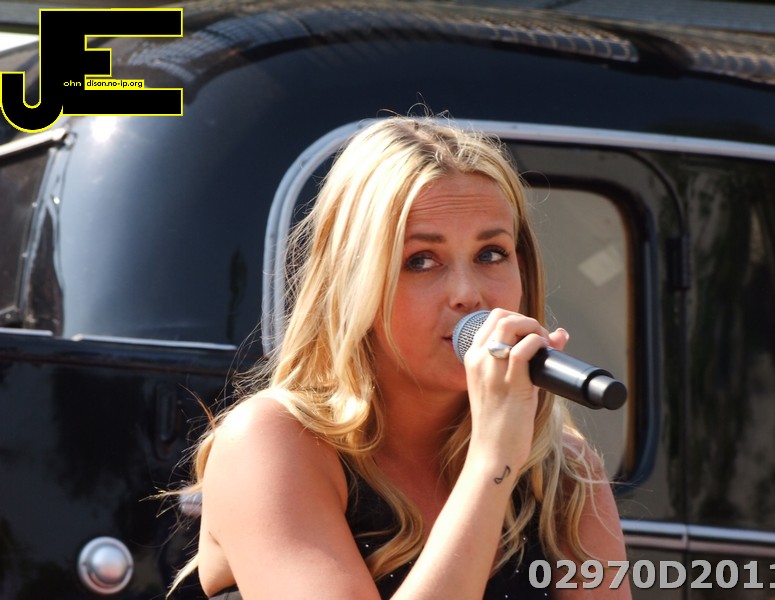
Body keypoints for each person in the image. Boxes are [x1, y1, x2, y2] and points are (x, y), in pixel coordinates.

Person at [170, 116, 631, 599]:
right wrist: (492, 463)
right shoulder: (273, 442)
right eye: (421, 260)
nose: (468, 293)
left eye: (491, 254)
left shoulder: (564, 473)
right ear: (355, 284)